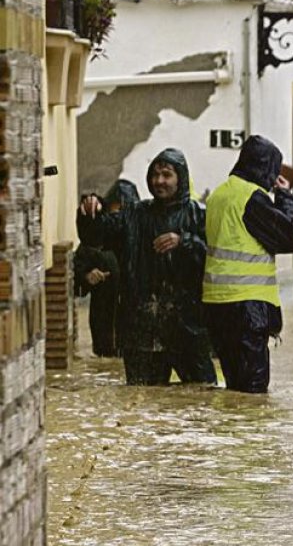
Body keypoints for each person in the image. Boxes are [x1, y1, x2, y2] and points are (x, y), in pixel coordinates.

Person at [77, 150, 216, 386]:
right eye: (154, 175)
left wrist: (184, 242)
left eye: (166, 175)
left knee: (203, 393)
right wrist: (92, 210)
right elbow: (96, 235)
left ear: (180, 178)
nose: (159, 181)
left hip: (187, 327)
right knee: (143, 399)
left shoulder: (198, 215)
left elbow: (213, 257)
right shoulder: (134, 215)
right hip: (141, 328)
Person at [202, 135, 293, 394]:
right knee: (253, 393)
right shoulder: (250, 198)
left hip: (216, 306)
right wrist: (285, 196)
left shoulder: (218, 195)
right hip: (247, 308)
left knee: (234, 388)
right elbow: (290, 237)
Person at [73, 180, 140, 357]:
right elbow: (76, 287)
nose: (120, 217)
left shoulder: (141, 241)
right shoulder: (96, 245)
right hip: (104, 334)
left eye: (125, 210)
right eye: (116, 210)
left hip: (133, 334)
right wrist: (87, 277)